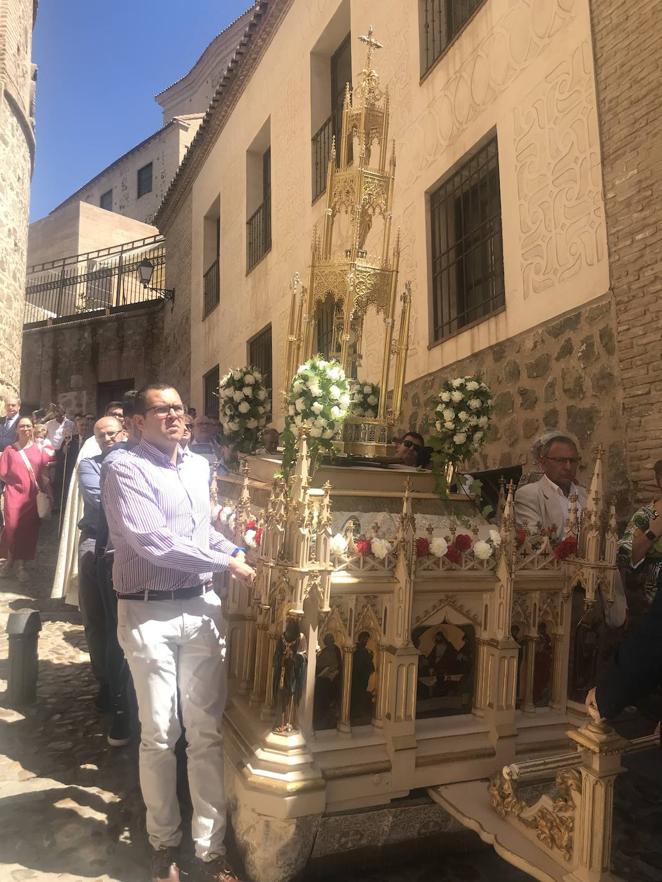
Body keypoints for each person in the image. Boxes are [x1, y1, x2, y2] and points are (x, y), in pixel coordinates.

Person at [102, 383, 254, 882]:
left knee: (206, 733)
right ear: (138, 421)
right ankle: (163, 842)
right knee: (160, 734)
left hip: (200, 607)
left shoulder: (197, 466)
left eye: (178, 408)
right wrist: (225, 563)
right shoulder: (124, 467)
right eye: (161, 409)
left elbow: (199, 531)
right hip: (149, 613)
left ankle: (210, 849)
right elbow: (152, 542)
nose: (174, 415)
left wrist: (235, 548)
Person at [78, 416, 125, 714]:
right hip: (95, 542)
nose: (107, 439)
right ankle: (105, 682)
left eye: (111, 433)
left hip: (127, 546)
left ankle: (123, 686)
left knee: (120, 622)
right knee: (96, 618)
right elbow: (101, 502)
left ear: (124, 433)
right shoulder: (89, 465)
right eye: (100, 435)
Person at [0, 417, 53, 582]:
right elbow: (2, 473)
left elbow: (43, 474)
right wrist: (15, 482)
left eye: (28, 426)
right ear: (16, 429)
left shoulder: (39, 450)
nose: (25, 429)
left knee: (27, 530)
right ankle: (9, 561)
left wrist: (50, 493)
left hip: (32, 496)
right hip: (13, 494)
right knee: (12, 528)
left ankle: (20, 565)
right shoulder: (10, 450)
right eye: (22, 426)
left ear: (33, 429)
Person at [514, 433, 588, 539]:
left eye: (572, 461)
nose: (568, 467)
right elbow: (534, 541)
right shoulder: (529, 495)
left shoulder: (587, 495)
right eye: (560, 460)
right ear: (543, 463)